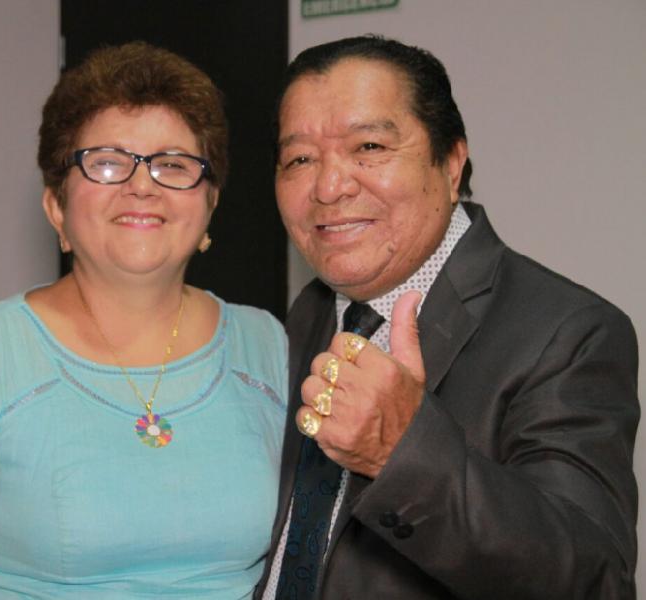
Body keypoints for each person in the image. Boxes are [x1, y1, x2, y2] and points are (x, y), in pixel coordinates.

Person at [0, 41, 287, 599]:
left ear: (209, 205)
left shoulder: (269, 347)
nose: (142, 185)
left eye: (173, 165)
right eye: (107, 162)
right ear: (57, 206)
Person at [255, 35, 639, 599]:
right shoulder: (308, 313)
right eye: (300, 159)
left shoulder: (568, 331)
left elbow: (590, 579)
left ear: (452, 162)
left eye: (369, 147)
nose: (329, 187)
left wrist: (403, 453)